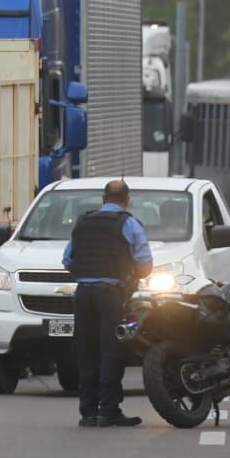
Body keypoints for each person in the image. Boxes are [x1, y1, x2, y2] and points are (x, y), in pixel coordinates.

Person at [63, 180, 154, 428]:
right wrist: (130, 275)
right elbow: (146, 265)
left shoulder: (83, 223)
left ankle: (88, 412)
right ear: (127, 200)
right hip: (112, 295)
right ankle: (109, 410)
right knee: (111, 351)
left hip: (83, 294)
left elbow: (67, 260)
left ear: (103, 199)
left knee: (86, 351)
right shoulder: (129, 224)